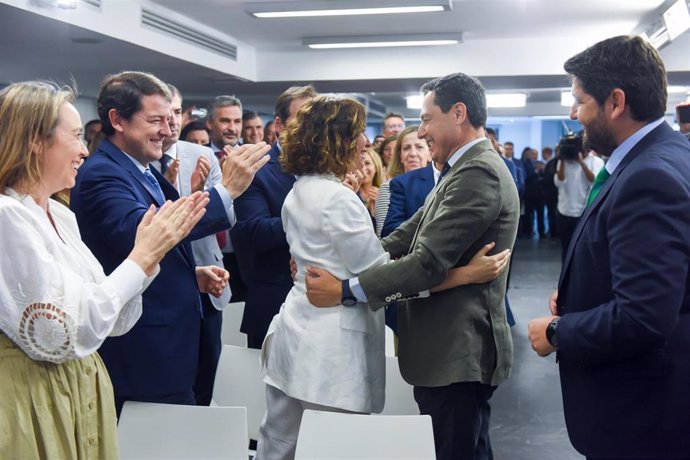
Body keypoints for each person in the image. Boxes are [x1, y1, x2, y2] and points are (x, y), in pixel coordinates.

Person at [256, 95, 511, 460]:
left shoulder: (300, 190)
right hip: (330, 350)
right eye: (357, 134)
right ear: (336, 140)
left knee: (279, 443)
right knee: (337, 447)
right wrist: (463, 275)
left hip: (294, 332)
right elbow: (383, 276)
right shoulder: (339, 198)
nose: (364, 142)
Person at [0, 81, 208, 458]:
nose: (84, 149)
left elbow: (111, 319)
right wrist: (141, 259)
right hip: (32, 397)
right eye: (77, 137)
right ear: (34, 140)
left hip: (79, 389)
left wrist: (145, 261)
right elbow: (59, 334)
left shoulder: (60, 215)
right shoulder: (6, 216)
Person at [527, 35, 690, 459]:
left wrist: (557, 332)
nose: (573, 113)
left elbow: (642, 316)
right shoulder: (669, 154)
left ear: (615, 102)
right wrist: (584, 291)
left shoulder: (648, 177)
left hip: (641, 417)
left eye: (580, 101)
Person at [70, 71, 269, 414]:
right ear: (117, 120)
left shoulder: (141, 168)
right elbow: (146, 234)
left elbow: (145, 251)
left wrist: (189, 274)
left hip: (170, 340)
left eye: (171, 118)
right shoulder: (103, 173)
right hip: (142, 349)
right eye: (155, 120)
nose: (168, 129)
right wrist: (228, 191)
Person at [553, 133, 604, 259]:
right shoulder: (564, 161)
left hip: (585, 211)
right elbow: (560, 181)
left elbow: (594, 181)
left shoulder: (596, 161)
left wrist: (582, 163)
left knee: (582, 249)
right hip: (564, 210)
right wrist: (562, 159)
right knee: (566, 248)